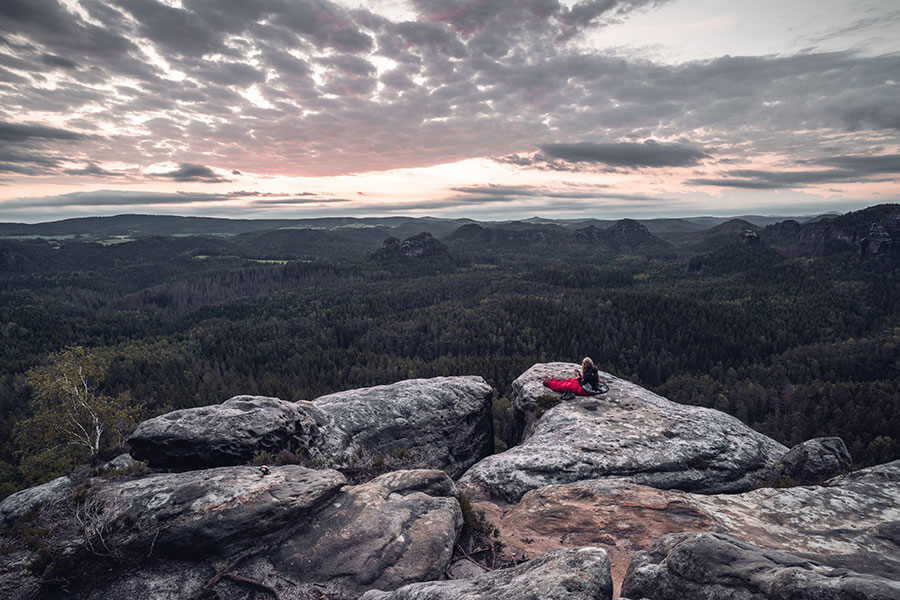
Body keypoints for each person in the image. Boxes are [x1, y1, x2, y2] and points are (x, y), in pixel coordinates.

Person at [542, 357, 607, 396]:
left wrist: (578, 376)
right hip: (592, 385)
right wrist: (580, 376)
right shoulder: (594, 369)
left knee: (567, 386)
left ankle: (550, 383)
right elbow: (588, 379)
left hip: (588, 389)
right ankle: (553, 381)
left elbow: (582, 384)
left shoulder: (588, 374)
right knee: (571, 380)